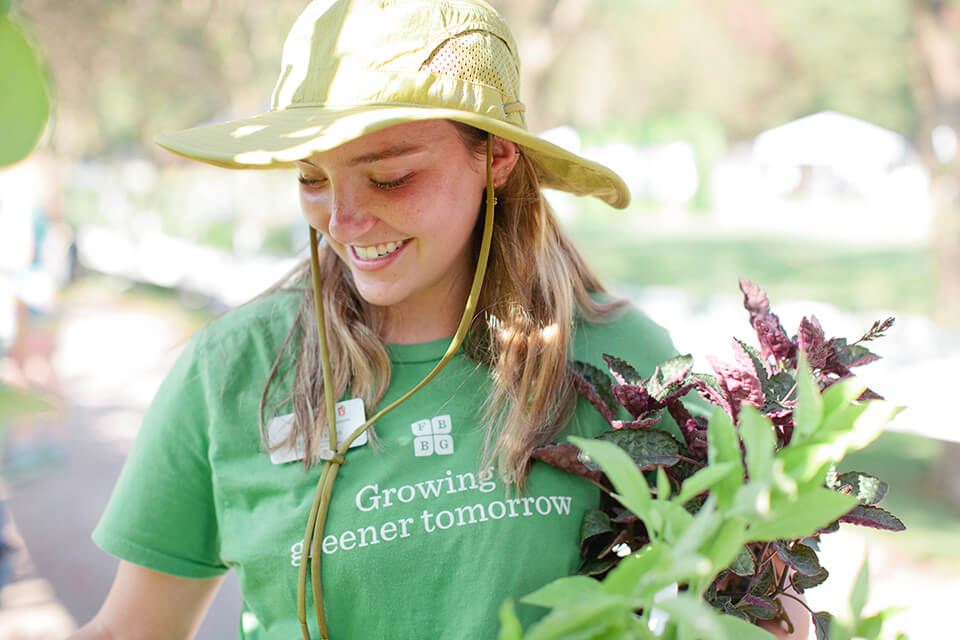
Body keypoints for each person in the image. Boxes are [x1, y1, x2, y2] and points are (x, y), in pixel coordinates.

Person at [71, 1, 807, 639]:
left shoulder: (619, 360)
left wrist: (778, 618)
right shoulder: (231, 371)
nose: (346, 217)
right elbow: (130, 629)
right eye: (311, 178)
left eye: (390, 175)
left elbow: (764, 597)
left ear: (495, 157)